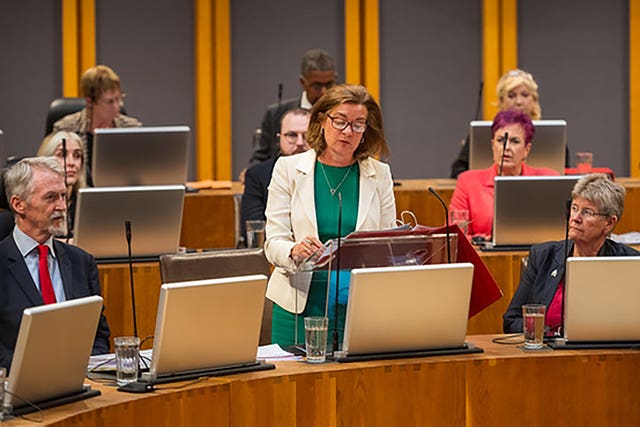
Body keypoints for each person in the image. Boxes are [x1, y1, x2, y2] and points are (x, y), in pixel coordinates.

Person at [264, 84, 396, 347]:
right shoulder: (288, 169)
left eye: (358, 124)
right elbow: (273, 241)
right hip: (298, 306)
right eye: (340, 121)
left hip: (358, 309)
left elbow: (388, 243)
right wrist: (294, 251)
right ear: (322, 120)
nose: (348, 131)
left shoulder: (379, 174)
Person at [0, 157, 110, 369]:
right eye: (50, 198)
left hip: (80, 385)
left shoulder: (81, 261)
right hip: (19, 391)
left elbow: (98, 335)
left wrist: (84, 369)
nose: (61, 206)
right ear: (18, 204)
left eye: (63, 196)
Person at [503, 174, 639, 334]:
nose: (575, 218)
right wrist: (546, 334)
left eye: (587, 212)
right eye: (574, 208)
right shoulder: (542, 256)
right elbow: (512, 320)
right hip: (548, 354)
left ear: (609, 223)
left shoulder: (630, 263)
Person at [449, 110, 559, 238]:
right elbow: (455, 237)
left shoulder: (547, 179)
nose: (506, 147)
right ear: (492, 145)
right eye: (500, 140)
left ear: (526, 149)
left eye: (515, 141)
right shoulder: (467, 182)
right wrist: (479, 242)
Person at [248, 49, 337, 166]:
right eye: (317, 86)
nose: (324, 92)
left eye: (329, 84)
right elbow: (259, 159)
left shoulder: (341, 115)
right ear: (303, 82)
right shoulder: (277, 114)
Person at [450, 69, 545, 178]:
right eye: (511, 95)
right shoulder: (487, 131)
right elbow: (458, 170)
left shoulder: (552, 134)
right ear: (501, 101)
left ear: (534, 99)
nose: (519, 101)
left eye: (524, 95)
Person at [240, 108, 311, 245]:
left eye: (307, 136)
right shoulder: (257, 174)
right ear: (279, 139)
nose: (300, 143)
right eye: (291, 135)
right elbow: (254, 227)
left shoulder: (329, 171)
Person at [52, 64, 142, 170]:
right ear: (90, 101)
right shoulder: (65, 129)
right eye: (110, 102)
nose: (117, 106)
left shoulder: (132, 128)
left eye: (118, 99)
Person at [37, 131, 87, 237]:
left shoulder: (88, 201)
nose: (71, 162)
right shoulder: (36, 202)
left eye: (77, 155)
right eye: (63, 154)